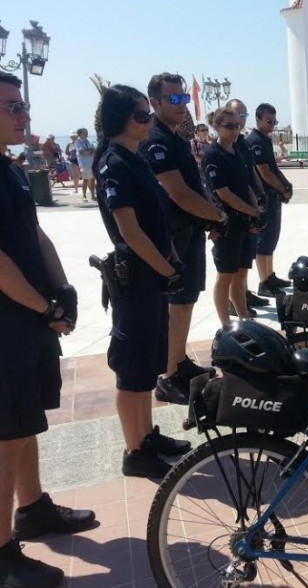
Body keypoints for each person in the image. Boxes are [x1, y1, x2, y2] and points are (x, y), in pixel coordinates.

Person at [0, 70, 95, 587]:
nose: (25, 114)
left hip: (27, 318)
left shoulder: (10, 169)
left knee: (23, 424)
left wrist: (62, 292)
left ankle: (32, 509)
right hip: (7, 324)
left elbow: (33, 234)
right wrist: (42, 307)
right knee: (4, 440)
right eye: (13, 106)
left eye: (22, 105)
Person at [94, 84, 193, 479]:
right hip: (134, 279)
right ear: (121, 119)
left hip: (152, 276)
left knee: (147, 366)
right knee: (131, 369)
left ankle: (147, 435)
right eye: (141, 115)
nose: (148, 120)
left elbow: (155, 222)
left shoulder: (134, 159)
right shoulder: (113, 162)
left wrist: (170, 260)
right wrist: (167, 270)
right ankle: (134, 450)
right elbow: (130, 232)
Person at [140, 73, 223, 404]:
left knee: (186, 301)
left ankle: (178, 360)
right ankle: (168, 375)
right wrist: (220, 216)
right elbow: (178, 193)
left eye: (183, 99)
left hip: (189, 232)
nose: (181, 105)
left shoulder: (175, 137)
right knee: (175, 306)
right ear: (155, 102)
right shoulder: (156, 139)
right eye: (173, 99)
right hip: (173, 235)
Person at [202, 107, 261, 326]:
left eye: (238, 125)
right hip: (226, 223)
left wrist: (256, 213)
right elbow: (223, 194)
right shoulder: (212, 155)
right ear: (216, 126)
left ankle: (243, 318)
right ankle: (226, 324)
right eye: (229, 126)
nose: (235, 130)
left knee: (241, 274)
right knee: (225, 276)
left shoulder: (237, 151)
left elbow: (246, 186)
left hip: (244, 222)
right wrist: (252, 211)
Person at [245, 103, 293, 295]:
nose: (272, 125)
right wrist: (282, 188)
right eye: (268, 121)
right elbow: (264, 172)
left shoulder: (265, 140)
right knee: (264, 240)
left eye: (274, 121)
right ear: (257, 120)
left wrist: (285, 185)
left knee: (271, 237)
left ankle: (269, 276)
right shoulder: (255, 141)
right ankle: (264, 282)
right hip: (263, 196)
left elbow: (273, 168)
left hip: (272, 195)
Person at [226, 98, 269, 312]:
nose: (240, 121)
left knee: (244, 264)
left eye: (243, 116)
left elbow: (251, 172)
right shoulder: (222, 148)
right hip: (234, 214)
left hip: (249, 209)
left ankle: (242, 295)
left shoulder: (242, 143)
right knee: (231, 267)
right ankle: (233, 303)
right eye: (236, 117)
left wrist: (260, 196)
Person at [76, 127, 96, 201]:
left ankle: (93, 196)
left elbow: (94, 149)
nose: (86, 134)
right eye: (84, 133)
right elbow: (82, 152)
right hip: (84, 164)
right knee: (85, 180)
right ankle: (84, 196)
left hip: (92, 162)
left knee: (93, 179)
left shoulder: (89, 141)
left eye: (86, 132)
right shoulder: (77, 142)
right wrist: (90, 150)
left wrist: (89, 150)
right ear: (80, 134)